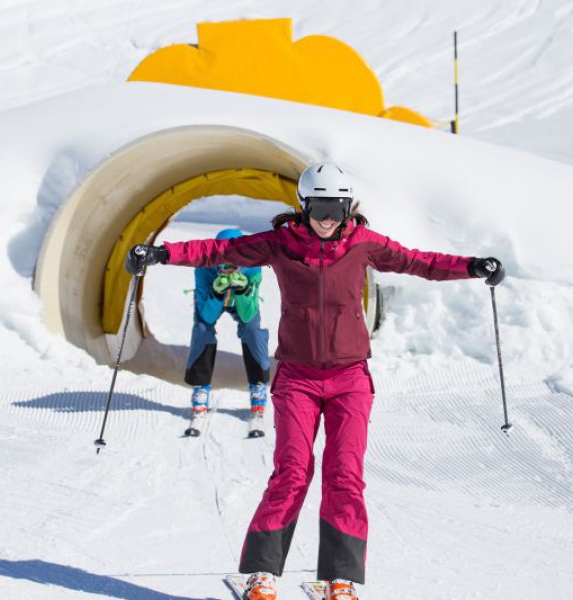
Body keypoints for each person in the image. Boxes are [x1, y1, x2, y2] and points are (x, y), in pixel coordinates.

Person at [125, 162, 505, 600]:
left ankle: (339, 578)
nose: (328, 218)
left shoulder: (364, 244)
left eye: (337, 207)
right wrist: (159, 254)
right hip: (297, 379)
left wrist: (474, 266)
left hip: (350, 379)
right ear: (304, 206)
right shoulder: (280, 243)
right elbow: (214, 252)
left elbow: (420, 262)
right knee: (291, 472)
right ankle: (261, 573)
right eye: (320, 207)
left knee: (345, 475)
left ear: (348, 208)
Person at [184, 228, 270, 421]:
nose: (230, 270)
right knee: (202, 329)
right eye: (225, 265)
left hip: (241, 300)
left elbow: (248, 315)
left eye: (235, 264)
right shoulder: (204, 267)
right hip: (213, 296)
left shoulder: (254, 267)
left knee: (252, 329)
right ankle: (201, 386)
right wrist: (215, 293)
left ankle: (258, 383)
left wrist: (242, 291)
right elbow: (206, 316)